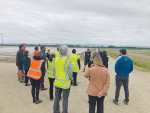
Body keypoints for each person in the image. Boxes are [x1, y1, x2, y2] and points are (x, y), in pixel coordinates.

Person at [52, 45, 73, 113]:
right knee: (65, 99)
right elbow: (70, 72)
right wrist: (71, 79)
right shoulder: (67, 60)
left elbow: (53, 71)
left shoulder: (55, 59)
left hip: (57, 82)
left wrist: (56, 78)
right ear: (66, 51)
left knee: (57, 97)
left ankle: (55, 111)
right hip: (66, 84)